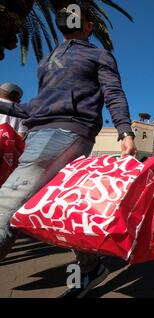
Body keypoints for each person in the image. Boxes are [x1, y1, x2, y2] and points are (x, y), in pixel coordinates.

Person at [0, 2, 137, 298]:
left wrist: (125, 131)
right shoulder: (47, 60)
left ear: (89, 27)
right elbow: (34, 106)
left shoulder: (98, 55)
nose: (70, 16)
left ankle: (89, 268)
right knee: (62, 206)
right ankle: (90, 266)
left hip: (67, 132)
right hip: (38, 134)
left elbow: (113, 92)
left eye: (80, 16)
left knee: (4, 206)